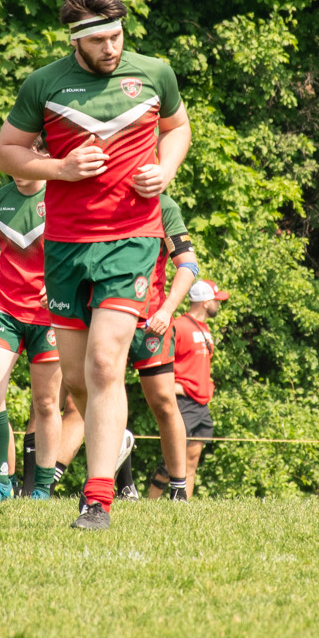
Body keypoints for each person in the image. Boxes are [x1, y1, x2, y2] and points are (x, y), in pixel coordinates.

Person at [0, 0, 190, 531]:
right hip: (64, 247)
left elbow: (178, 129)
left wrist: (165, 169)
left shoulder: (154, 73)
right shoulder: (44, 84)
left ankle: (97, 498)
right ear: (76, 40)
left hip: (133, 238)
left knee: (106, 363)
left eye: (118, 36)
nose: (111, 47)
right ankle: (113, 435)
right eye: (100, 39)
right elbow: (6, 151)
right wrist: (58, 168)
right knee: (77, 382)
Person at [0, 143, 62, 500]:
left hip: (51, 315)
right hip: (4, 310)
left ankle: (43, 488)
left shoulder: (62, 194)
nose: (18, 167)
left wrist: (62, 283)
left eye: (28, 157)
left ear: (45, 157)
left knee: (47, 403)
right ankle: (1, 482)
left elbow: (84, 248)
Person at [118, 193, 200, 500]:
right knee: (94, 399)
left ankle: (179, 488)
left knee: (164, 402)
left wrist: (166, 310)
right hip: (103, 313)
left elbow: (188, 264)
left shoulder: (163, 206)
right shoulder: (98, 196)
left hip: (149, 319)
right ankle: (122, 485)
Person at [151, 278, 227, 498]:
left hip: (202, 405)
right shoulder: (180, 326)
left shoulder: (205, 328)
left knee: (192, 460)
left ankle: (184, 505)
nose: (218, 305)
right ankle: (150, 502)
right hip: (183, 402)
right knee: (170, 463)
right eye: (216, 300)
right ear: (205, 302)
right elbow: (162, 361)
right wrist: (172, 389)